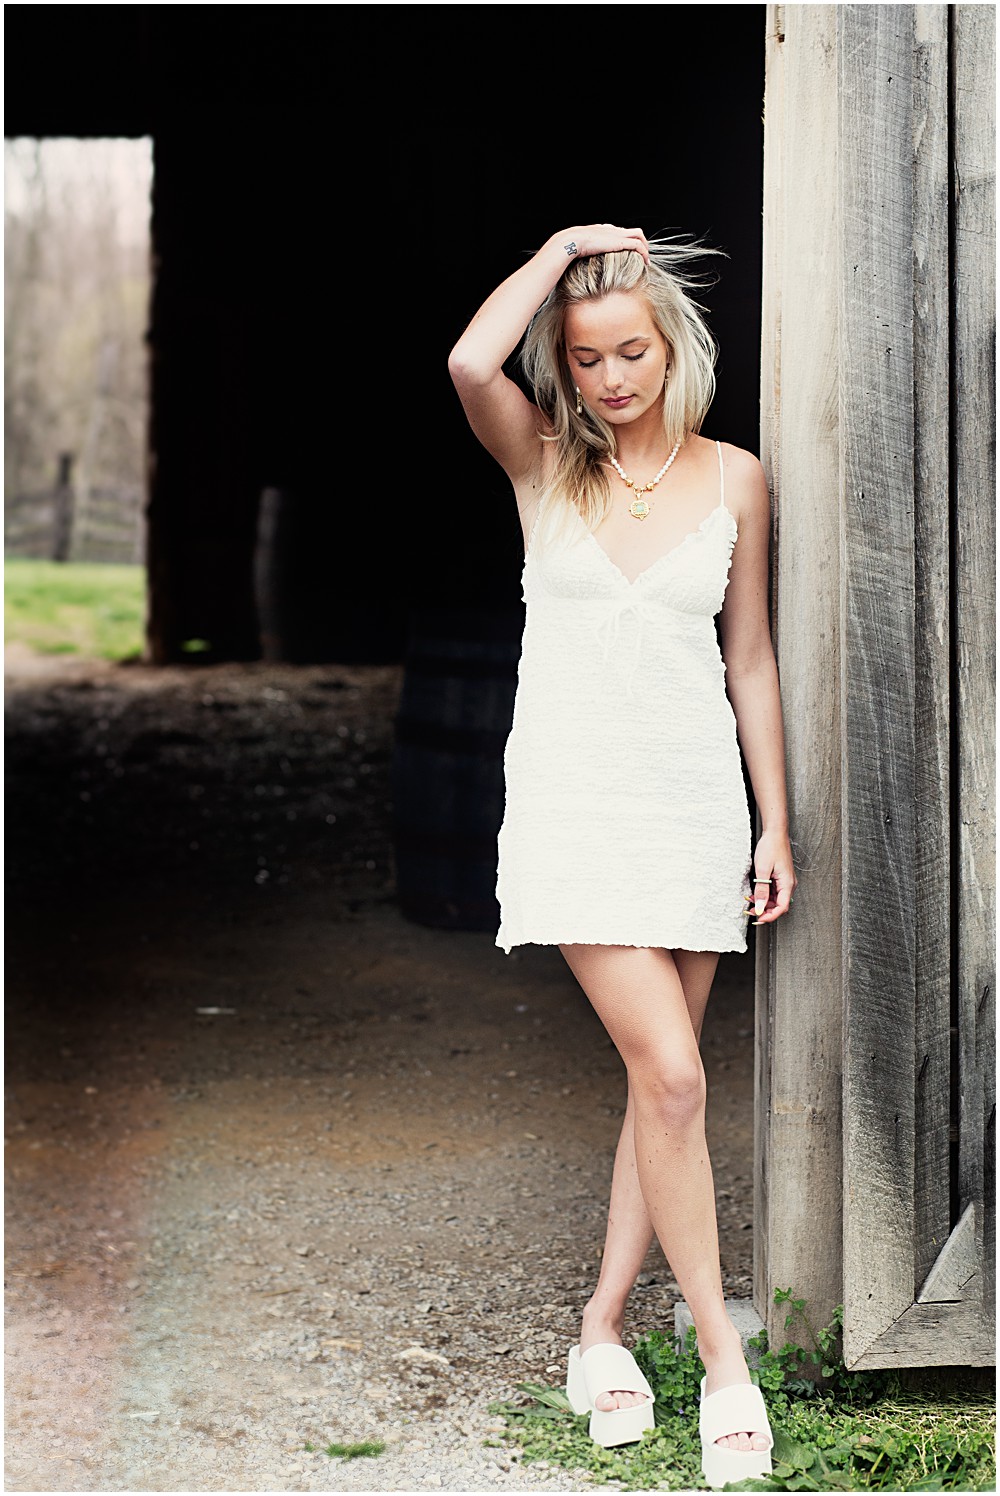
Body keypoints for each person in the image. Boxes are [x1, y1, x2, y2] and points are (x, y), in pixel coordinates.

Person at [447, 223, 796, 1488]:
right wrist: (559, 252)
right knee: (676, 1078)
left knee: (664, 1089)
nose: (610, 378)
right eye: (586, 357)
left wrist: (774, 819)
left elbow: (747, 659)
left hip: (692, 806)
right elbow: (466, 360)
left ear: (673, 346)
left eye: (631, 350)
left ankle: (599, 1329)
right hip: (574, 808)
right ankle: (718, 1357)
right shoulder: (544, 467)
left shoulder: (737, 480)